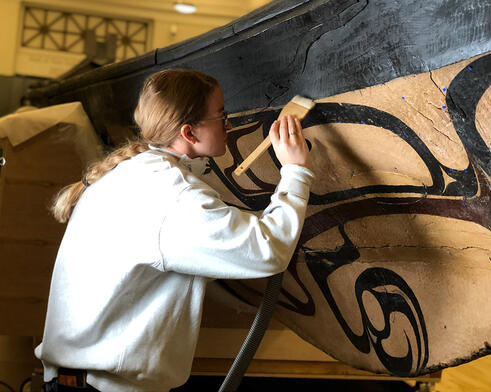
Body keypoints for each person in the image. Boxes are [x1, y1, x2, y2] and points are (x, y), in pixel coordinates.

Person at [34, 69, 314, 392]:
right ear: (189, 132)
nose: (230, 125)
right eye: (221, 116)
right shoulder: (173, 196)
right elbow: (267, 251)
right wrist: (295, 171)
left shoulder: (133, 175)